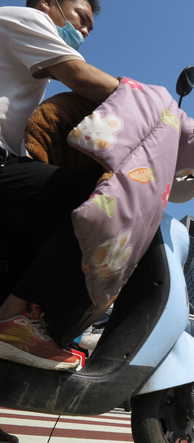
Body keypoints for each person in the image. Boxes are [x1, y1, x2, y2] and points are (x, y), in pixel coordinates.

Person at [0, 0, 119, 371]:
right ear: (48, 4)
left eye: (88, 29)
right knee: (97, 201)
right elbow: (81, 78)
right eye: (81, 19)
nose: (82, 32)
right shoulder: (26, 19)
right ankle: (12, 321)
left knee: (16, 263)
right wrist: (159, 110)